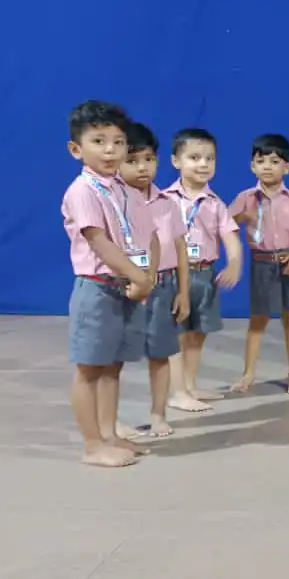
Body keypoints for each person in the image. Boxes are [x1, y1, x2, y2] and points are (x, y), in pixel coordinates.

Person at [60, 100, 157, 468]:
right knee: (89, 368)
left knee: (113, 366)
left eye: (118, 142)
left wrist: (142, 278)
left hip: (125, 287)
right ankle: (92, 445)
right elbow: (99, 241)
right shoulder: (83, 191)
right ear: (76, 149)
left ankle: (110, 433)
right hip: (98, 287)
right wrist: (139, 277)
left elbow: (137, 236)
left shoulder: (121, 188)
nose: (110, 150)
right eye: (99, 141)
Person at [119, 122, 190, 439]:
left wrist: (183, 292)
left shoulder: (168, 203)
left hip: (162, 285)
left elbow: (180, 247)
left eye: (148, 159)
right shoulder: (113, 201)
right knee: (114, 357)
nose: (142, 167)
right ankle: (113, 418)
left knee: (160, 353)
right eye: (132, 161)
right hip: (125, 287)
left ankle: (158, 414)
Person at [163, 127, 242, 412]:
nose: (203, 164)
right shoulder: (164, 199)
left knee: (198, 333)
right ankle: (175, 392)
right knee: (177, 334)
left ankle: (190, 384)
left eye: (210, 158)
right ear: (176, 161)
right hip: (173, 276)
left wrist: (234, 263)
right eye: (194, 157)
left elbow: (231, 237)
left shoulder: (216, 204)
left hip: (205, 275)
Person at [229, 134, 289, 394]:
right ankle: (248, 374)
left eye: (274, 161)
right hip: (262, 263)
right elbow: (227, 226)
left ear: (287, 167)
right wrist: (242, 217)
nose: (266, 166)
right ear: (252, 166)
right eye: (260, 161)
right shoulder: (245, 197)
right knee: (258, 319)